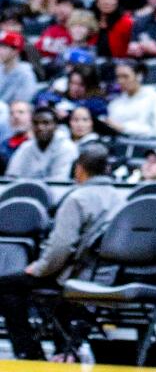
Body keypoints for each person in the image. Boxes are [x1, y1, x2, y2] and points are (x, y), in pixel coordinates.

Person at [0, 144, 121, 360]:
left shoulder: (78, 198)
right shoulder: (120, 199)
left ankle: (29, 354)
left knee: (7, 285)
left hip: (77, 275)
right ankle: (63, 349)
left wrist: (38, 268)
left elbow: (61, 247)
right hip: (107, 275)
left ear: (79, 169)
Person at [6, 106, 78, 180]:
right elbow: (11, 177)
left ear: (56, 125)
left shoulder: (67, 147)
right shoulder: (26, 147)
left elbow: (60, 181)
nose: (40, 127)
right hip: (26, 190)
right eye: (36, 123)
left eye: (46, 123)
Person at [105, 59, 156, 137]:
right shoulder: (115, 102)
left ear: (139, 76)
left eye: (125, 76)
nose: (120, 81)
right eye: (118, 77)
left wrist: (124, 128)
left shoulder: (155, 98)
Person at [0, 30, 37, 104]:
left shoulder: (26, 74)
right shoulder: (1, 68)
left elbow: (22, 104)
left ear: (15, 51)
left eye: (4, 47)